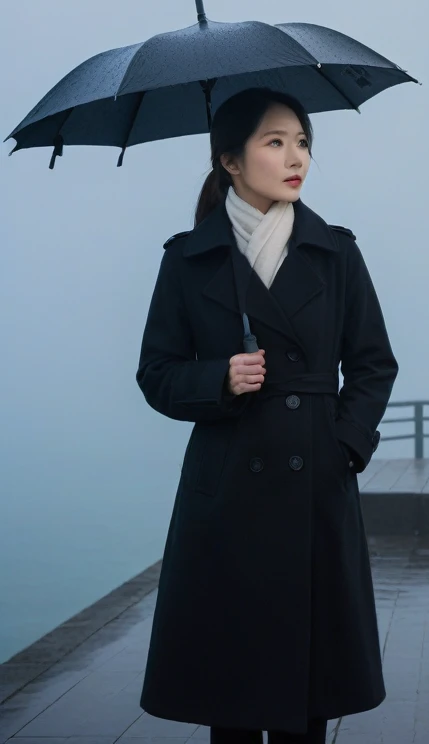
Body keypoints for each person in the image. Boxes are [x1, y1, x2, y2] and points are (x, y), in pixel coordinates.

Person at [135, 86, 399, 743]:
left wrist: (345, 447)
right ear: (230, 160)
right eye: (275, 141)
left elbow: (372, 364)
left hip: (314, 484)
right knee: (233, 690)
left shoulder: (336, 253)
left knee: (307, 693)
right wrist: (217, 378)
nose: (296, 157)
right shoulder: (188, 259)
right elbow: (157, 373)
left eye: (303, 141)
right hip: (226, 489)